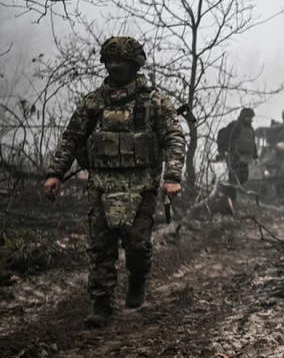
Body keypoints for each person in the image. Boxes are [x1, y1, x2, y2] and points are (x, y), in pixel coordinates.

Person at [43, 36, 186, 328]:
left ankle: (138, 278)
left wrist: (172, 177)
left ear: (135, 64)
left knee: (137, 245)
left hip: (141, 186)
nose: (114, 66)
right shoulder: (95, 102)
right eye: (110, 60)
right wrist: (55, 173)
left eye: (120, 61)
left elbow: (174, 138)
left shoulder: (154, 102)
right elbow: (72, 138)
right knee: (101, 248)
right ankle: (101, 303)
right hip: (101, 185)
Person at [223, 107, 258, 202]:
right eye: (249, 117)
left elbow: (253, 143)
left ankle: (232, 198)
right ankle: (230, 199)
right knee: (234, 179)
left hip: (245, 158)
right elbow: (228, 139)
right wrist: (228, 151)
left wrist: (255, 157)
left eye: (252, 117)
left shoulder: (251, 129)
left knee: (244, 179)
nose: (251, 119)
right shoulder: (235, 126)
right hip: (235, 157)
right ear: (244, 116)